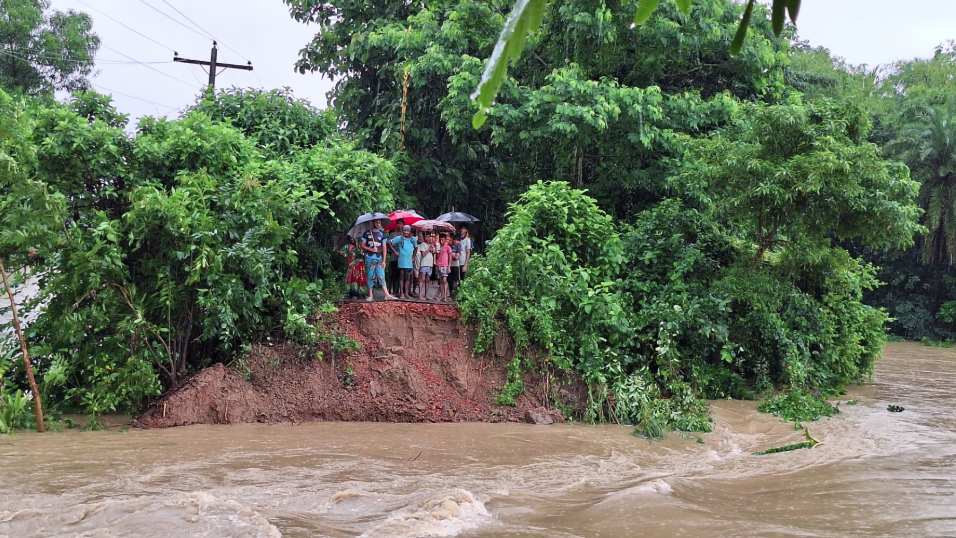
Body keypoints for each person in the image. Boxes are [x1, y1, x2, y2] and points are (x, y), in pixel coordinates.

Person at [360, 218, 394, 302]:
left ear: (381, 223)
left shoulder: (382, 234)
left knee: (381, 275)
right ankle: (370, 295)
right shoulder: (367, 233)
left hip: (379, 258)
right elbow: (362, 245)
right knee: (370, 276)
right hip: (369, 257)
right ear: (373, 223)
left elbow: (384, 248)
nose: (378, 223)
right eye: (376, 222)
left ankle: (387, 294)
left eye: (379, 222)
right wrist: (371, 249)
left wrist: (384, 261)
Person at [389, 224, 418, 299]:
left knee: (408, 277)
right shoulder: (399, 238)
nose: (406, 232)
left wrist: (414, 257)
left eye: (407, 231)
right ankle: (401, 293)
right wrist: (395, 251)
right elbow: (389, 242)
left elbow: (416, 248)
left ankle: (406, 293)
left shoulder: (413, 239)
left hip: (409, 260)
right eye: (404, 230)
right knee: (401, 277)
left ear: (410, 232)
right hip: (402, 260)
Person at [387, 218, 405, 295]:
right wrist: (394, 247)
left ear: (403, 225)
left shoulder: (405, 234)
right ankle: (395, 291)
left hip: (403, 257)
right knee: (394, 274)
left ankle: (402, 292)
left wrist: (394, 244)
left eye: (401, 223)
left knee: (402, 275)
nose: (399, 225)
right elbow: (389, 243)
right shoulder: (392, 234)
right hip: (394, 257)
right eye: (398, 223)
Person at [417, 231, 435, 300]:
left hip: (430, 264)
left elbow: (434, 253)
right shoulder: (423, 244)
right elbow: (423, 254)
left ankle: (426, 295)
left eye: (429, 236)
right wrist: (429, 249)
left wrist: (432, 249)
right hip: (424, 264)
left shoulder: (431, 244)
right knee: (422, 279)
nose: (428, 238)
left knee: (428, 280)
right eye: (427, 236)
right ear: (425, 237)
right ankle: (420, 295)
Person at [434, 233, 452, 302]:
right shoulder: (438, 247)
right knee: (441, 281)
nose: (441, 241)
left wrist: (449, 267)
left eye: (443, 239)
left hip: (445, 265)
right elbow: (437, 256)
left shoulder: (448, 247)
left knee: (444, 280)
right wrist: (437, 251)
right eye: (440, 239)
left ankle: (445, 297)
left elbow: (450, 257)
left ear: (445, 240)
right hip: (439, 265)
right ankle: (442, 296)